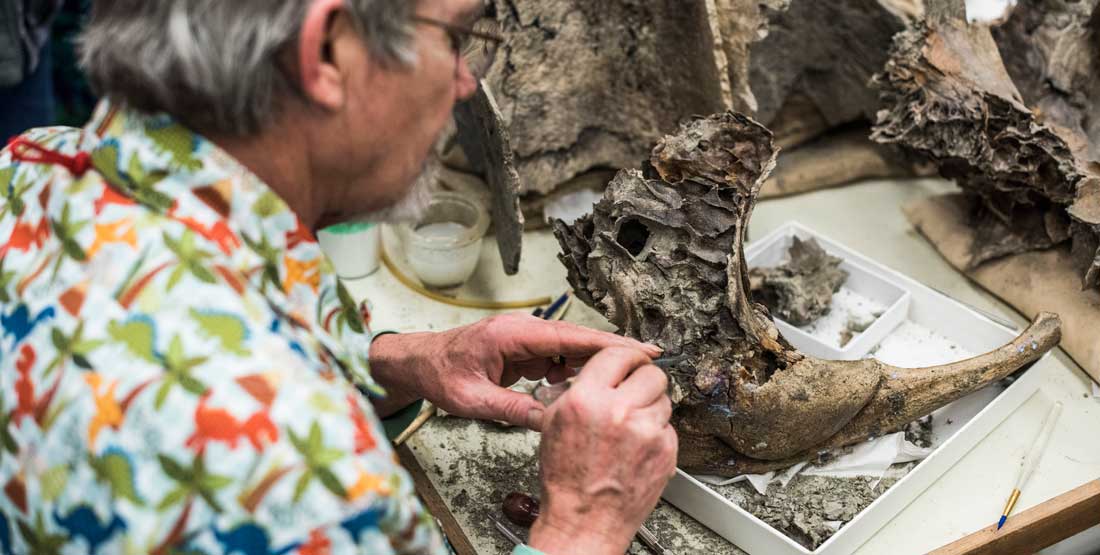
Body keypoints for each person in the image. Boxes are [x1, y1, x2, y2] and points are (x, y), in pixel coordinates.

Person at [0, 1, 678, 554]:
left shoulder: (34, 169)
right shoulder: (308, 489)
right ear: (326, 52)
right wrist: (584, 524)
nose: (466, 80)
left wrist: (400, 363)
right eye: (457, 38)